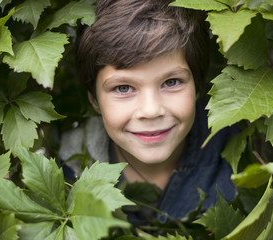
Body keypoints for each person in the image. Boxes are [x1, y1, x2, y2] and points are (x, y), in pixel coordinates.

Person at [59, 0, 236, 224]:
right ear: (94, 99)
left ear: (198, 85)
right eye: (123, 88)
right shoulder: (67, 172)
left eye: (171, 82)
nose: (151, 111)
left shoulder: (242, 154)